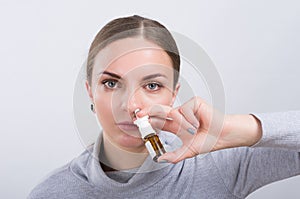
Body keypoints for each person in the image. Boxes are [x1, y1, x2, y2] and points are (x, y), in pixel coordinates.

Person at [28, 15, 300, 199]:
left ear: (173, 95)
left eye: (152, 86)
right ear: (89, 91)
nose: (131, 105)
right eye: (111, 83)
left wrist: (237, 128)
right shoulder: (53, 192)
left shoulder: (214, 166)